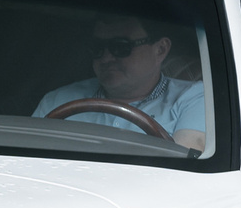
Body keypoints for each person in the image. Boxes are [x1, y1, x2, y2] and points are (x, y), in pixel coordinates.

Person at [33, 15, 210, 149]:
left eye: (120, 47)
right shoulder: (57, 101)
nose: (106, 58)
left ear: (160, 49)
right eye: (98, 48)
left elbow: (183, 170)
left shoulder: (194, 99)